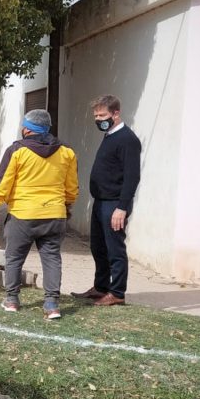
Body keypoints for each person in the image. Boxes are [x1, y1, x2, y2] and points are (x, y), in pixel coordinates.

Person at [0, 109, 78, 319]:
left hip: (23, 215)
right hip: (54, 214)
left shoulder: (17, 150)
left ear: (27, 129)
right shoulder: (66, 152)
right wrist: (67, 204)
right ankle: (52, 303)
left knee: (14, 258)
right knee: (52, 258)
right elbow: (71, 187)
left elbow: (3, 183)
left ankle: (12, 300)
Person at [71, 94, 141, 307]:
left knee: (114, 249)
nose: (98, 119)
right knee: (98, 247)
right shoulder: (110, 135)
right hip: (100, 202)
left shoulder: (128, 139)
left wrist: (122, 208)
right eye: (96, 115)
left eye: (102, 114)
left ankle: (117, 293)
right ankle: (101, 287)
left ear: (116, 113)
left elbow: (132, 177)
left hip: (114, 204)